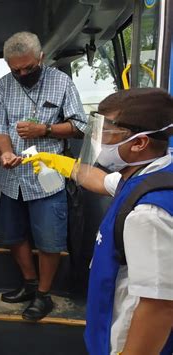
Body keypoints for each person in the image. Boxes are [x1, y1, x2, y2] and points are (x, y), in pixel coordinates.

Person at [23, 88, 173, 354]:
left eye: (108, 133)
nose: (100, 140)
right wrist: (60, 164)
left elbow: (160, 307)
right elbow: (100, 180)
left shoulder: (147, 214)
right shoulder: (151, 174)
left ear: (139, 143)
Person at [0, 31, 87, 321]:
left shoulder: (62, 83)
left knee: (50, 239)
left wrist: (44, 130)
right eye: (15, 69)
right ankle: (29, 284)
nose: (21, 74)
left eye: (28, 68)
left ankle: (44, 296)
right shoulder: (4, 86)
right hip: (12, 178)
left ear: (41, 58)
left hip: (48, 177)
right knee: (13, 235)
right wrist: (5, 152)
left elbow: (81, 126)